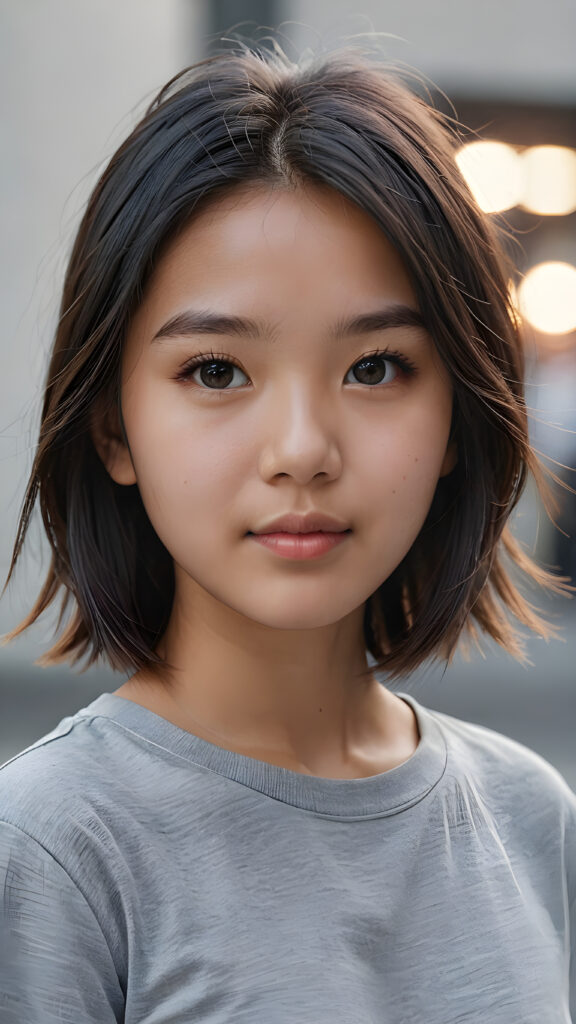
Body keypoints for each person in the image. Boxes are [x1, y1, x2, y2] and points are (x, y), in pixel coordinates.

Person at [0, 41, 574, 1023]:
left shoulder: (533, 819)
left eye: (376, 367)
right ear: (113, 426)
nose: (303, 450)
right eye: (217, 371)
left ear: (456, 421)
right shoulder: (52, 850)